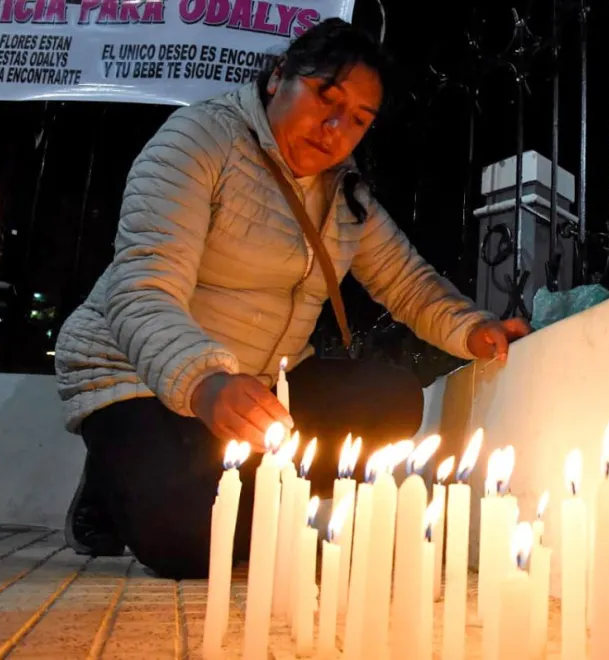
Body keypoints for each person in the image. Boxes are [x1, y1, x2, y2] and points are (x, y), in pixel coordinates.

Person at [54, 18, 530, 580]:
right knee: (188, 546)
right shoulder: (198, 141)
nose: (335, 129)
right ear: (279, 76)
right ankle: (115, 484)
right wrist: (205, 383)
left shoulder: (344, 192)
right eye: (326, 97)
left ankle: (196, 488)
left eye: (358, 119)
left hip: (257, 382)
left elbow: (406, 281)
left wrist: (473, 329)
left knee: (391, 398)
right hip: (140, 373)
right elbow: (143, 287)